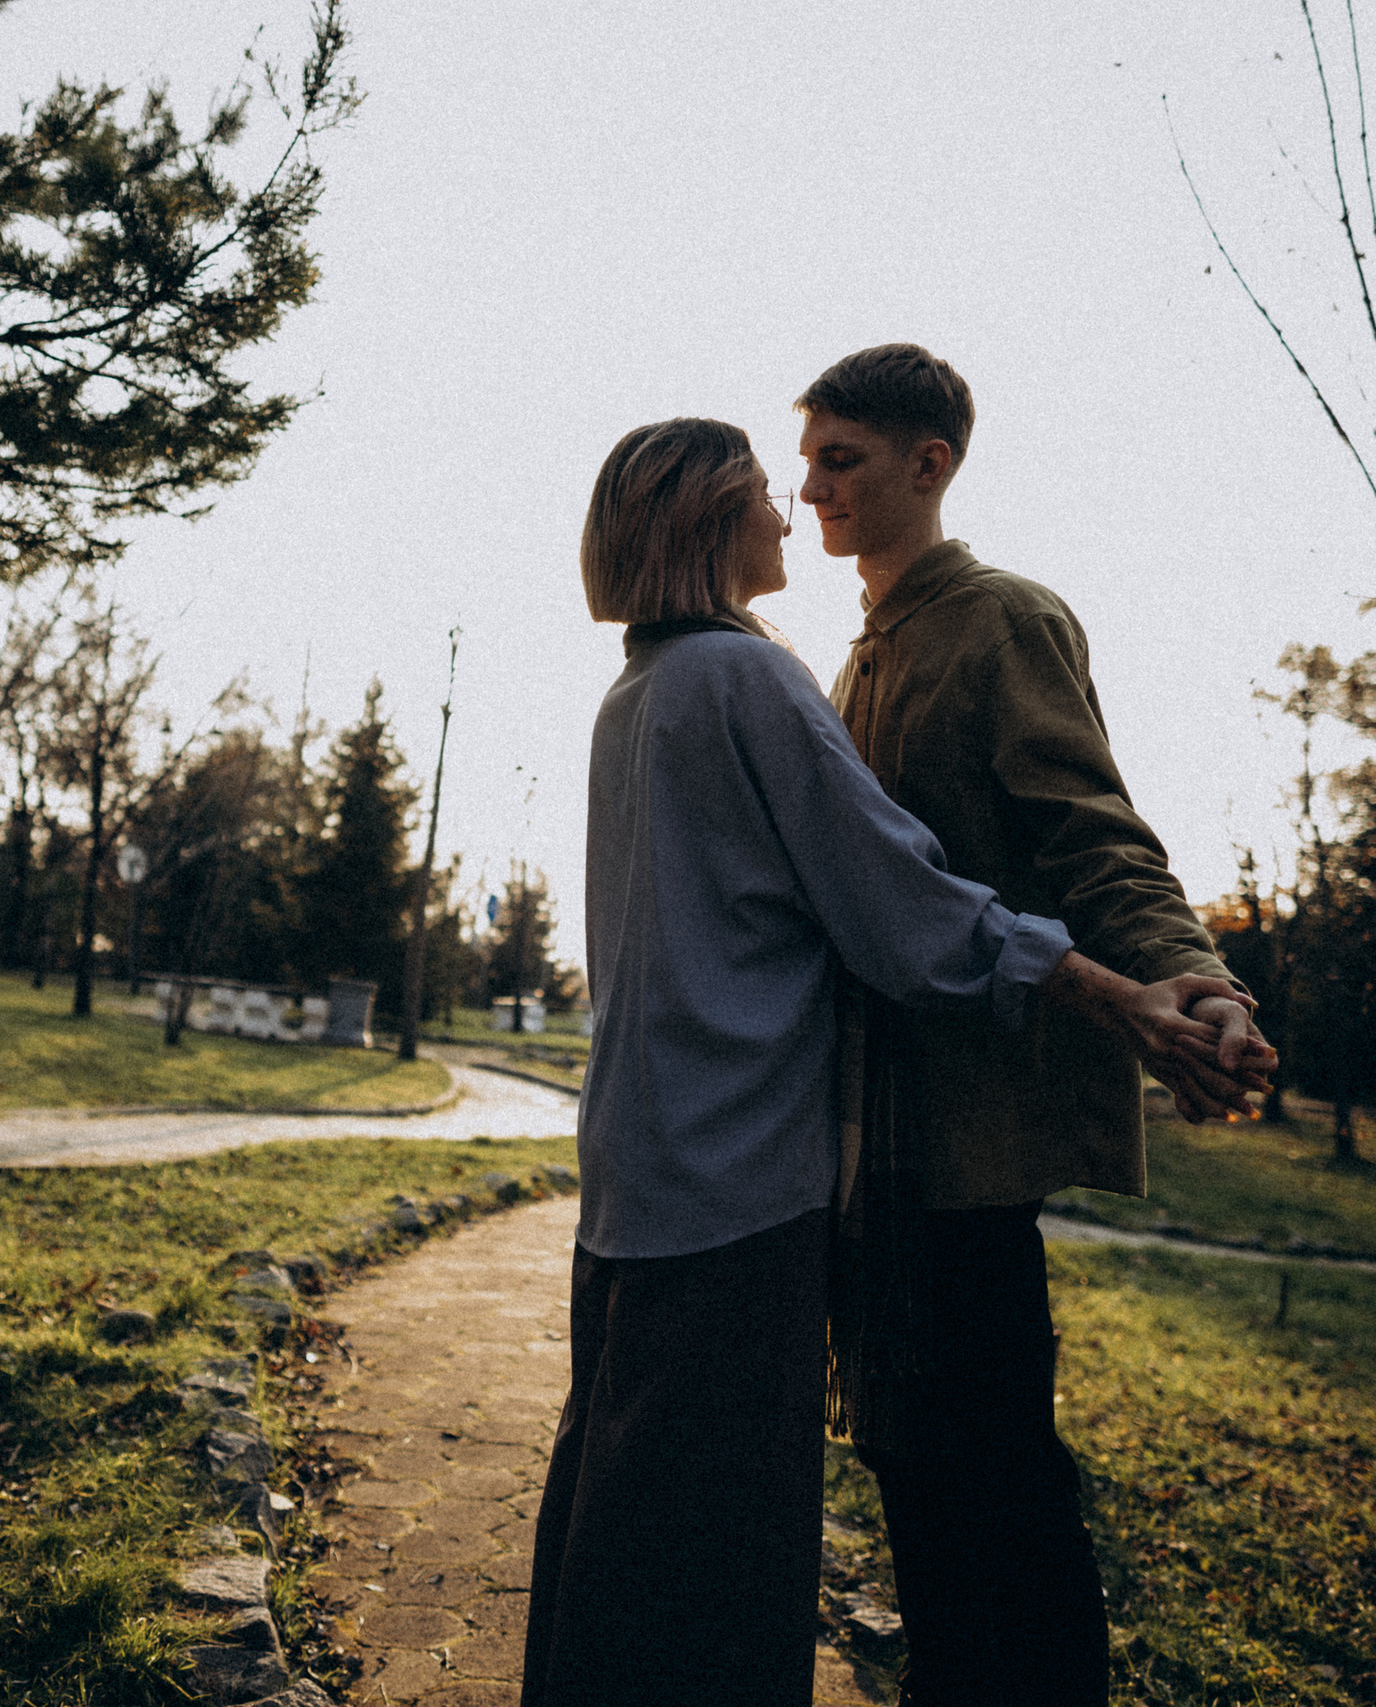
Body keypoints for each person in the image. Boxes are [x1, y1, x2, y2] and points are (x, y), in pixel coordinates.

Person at [521, 417, 1255, 1707]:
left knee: (623, 1499)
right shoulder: (746, 681)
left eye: (818, 470)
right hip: (736, 1177)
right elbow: (898, 903)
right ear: (705, 523)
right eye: (763, 488)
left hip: (638, 1172)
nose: (788, 507)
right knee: (718, 1535)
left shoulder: (635, 694)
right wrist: (1109, 995)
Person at [797, 344, 1276, 1706]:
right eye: (813, 458)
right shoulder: (860, 652)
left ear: (928, 463)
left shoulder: (1002, 619)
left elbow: (1097, 836)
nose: (812, 486)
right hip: (874, 1147)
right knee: (915, 1477)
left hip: (970, 1149)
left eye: (844, 458)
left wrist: (1201, 980)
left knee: (1000, 1481)